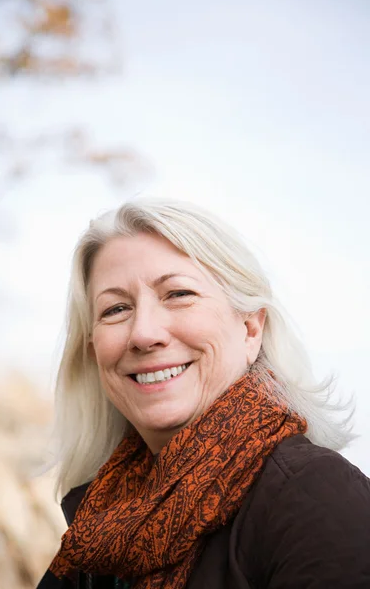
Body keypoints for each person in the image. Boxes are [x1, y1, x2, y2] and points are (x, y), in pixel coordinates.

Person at [37, 199, 370, 589]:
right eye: (115, 309)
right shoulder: (98, 524)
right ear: (93, 350)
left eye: (178, 294)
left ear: (250, 329)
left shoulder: (315, 497)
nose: (144, 333)